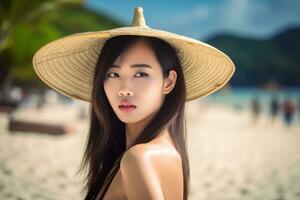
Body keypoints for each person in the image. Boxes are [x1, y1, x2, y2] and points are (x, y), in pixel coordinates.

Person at [32, 6, 235, 200]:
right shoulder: (157, 153)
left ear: (169, 82)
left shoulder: (139, 159)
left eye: (140, 74)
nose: (124, 88)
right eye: (113, 74)